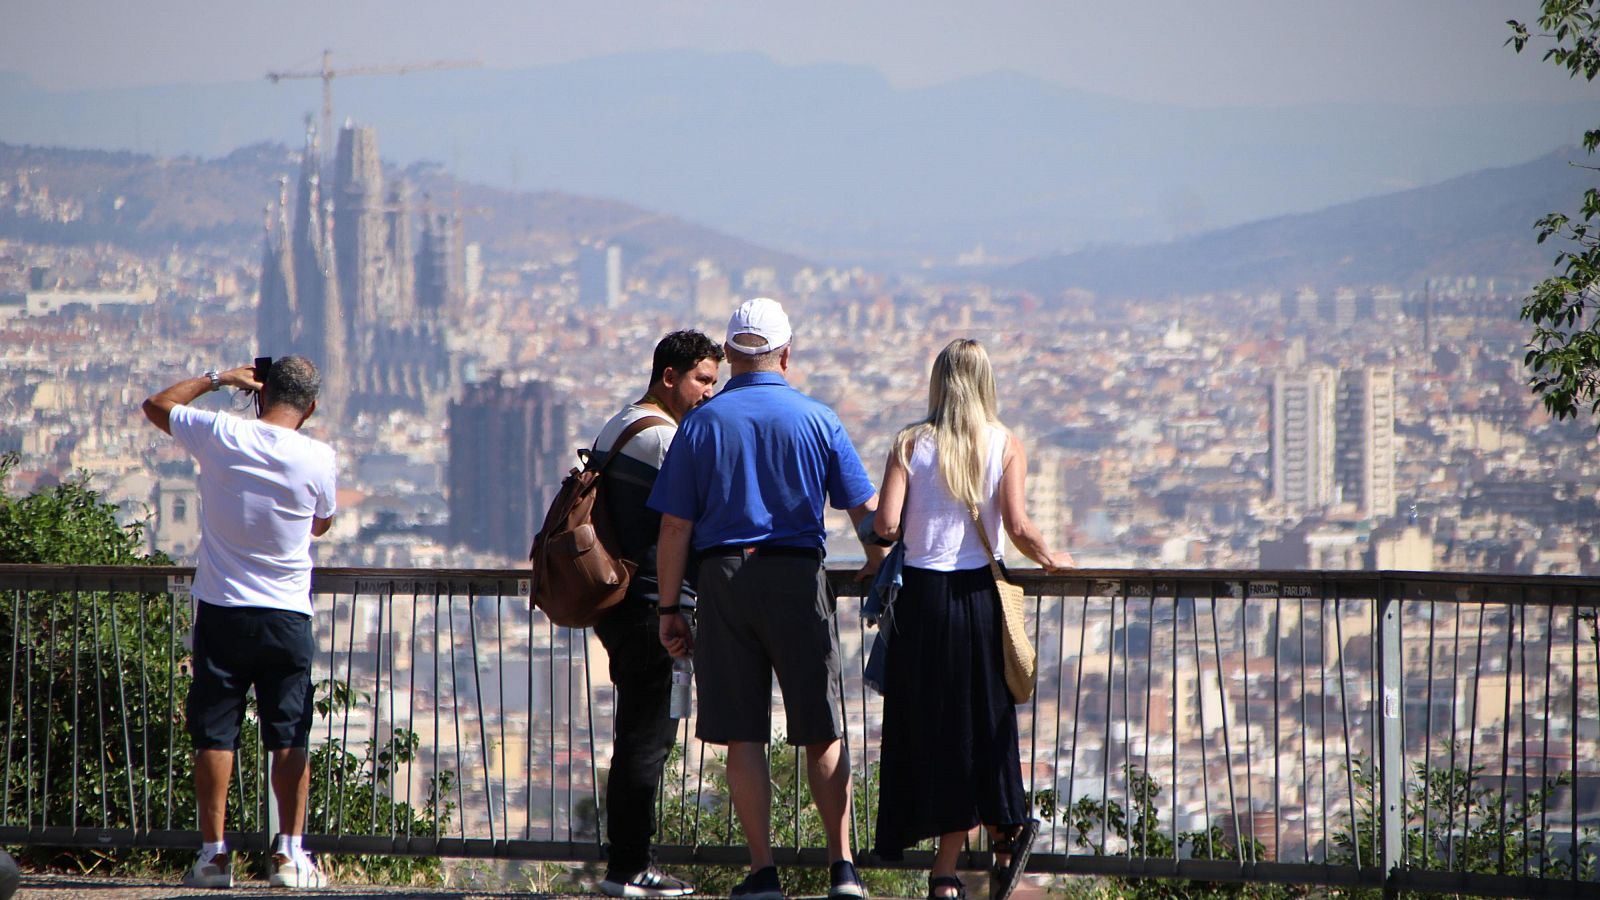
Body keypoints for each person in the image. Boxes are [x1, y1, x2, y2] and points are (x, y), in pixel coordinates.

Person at [650, 298, 884, 900]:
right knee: (821, 728)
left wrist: (669, 608)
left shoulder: (701, 424)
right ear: (786, 352)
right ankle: (843, 869)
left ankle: (762, 871)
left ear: (728, 355)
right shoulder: (817, 418)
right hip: (797, 576)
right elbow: (865, 514)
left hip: (724, 577)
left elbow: (675, 527)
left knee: (742, 733)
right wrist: (880, 562)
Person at [868, 338, 1072, 900]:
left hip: (921, 603)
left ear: (937, 381)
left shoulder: (910, 442)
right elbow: (1020, 525)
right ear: (986, 382)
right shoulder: (1004, 442)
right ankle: (991, 837)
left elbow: (886, 524)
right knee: (982, 721)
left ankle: (950, 864)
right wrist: (1055, 559)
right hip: (980, 599)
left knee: (925, 725)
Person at [141, 357, 336, 890]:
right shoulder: (319, 456)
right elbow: (321, 522)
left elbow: (157, 405)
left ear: (260, 392)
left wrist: (218, 378)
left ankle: (213, 856)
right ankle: (290, 857)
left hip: (223, 609)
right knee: (290, 735)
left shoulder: (222, 433)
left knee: (215, 735)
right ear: (312, 407)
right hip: (287, 613)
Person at [592, 330, 724, 898]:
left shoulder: (618, 423)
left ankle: (626, 862)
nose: (708, 394)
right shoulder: (665, 438)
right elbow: (696, 515)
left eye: (714, 382)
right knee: (649, 741)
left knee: (636, 737)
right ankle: (630, 866)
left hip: (619, 603)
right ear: (669, 376)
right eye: (701, 380)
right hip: (652, 605)